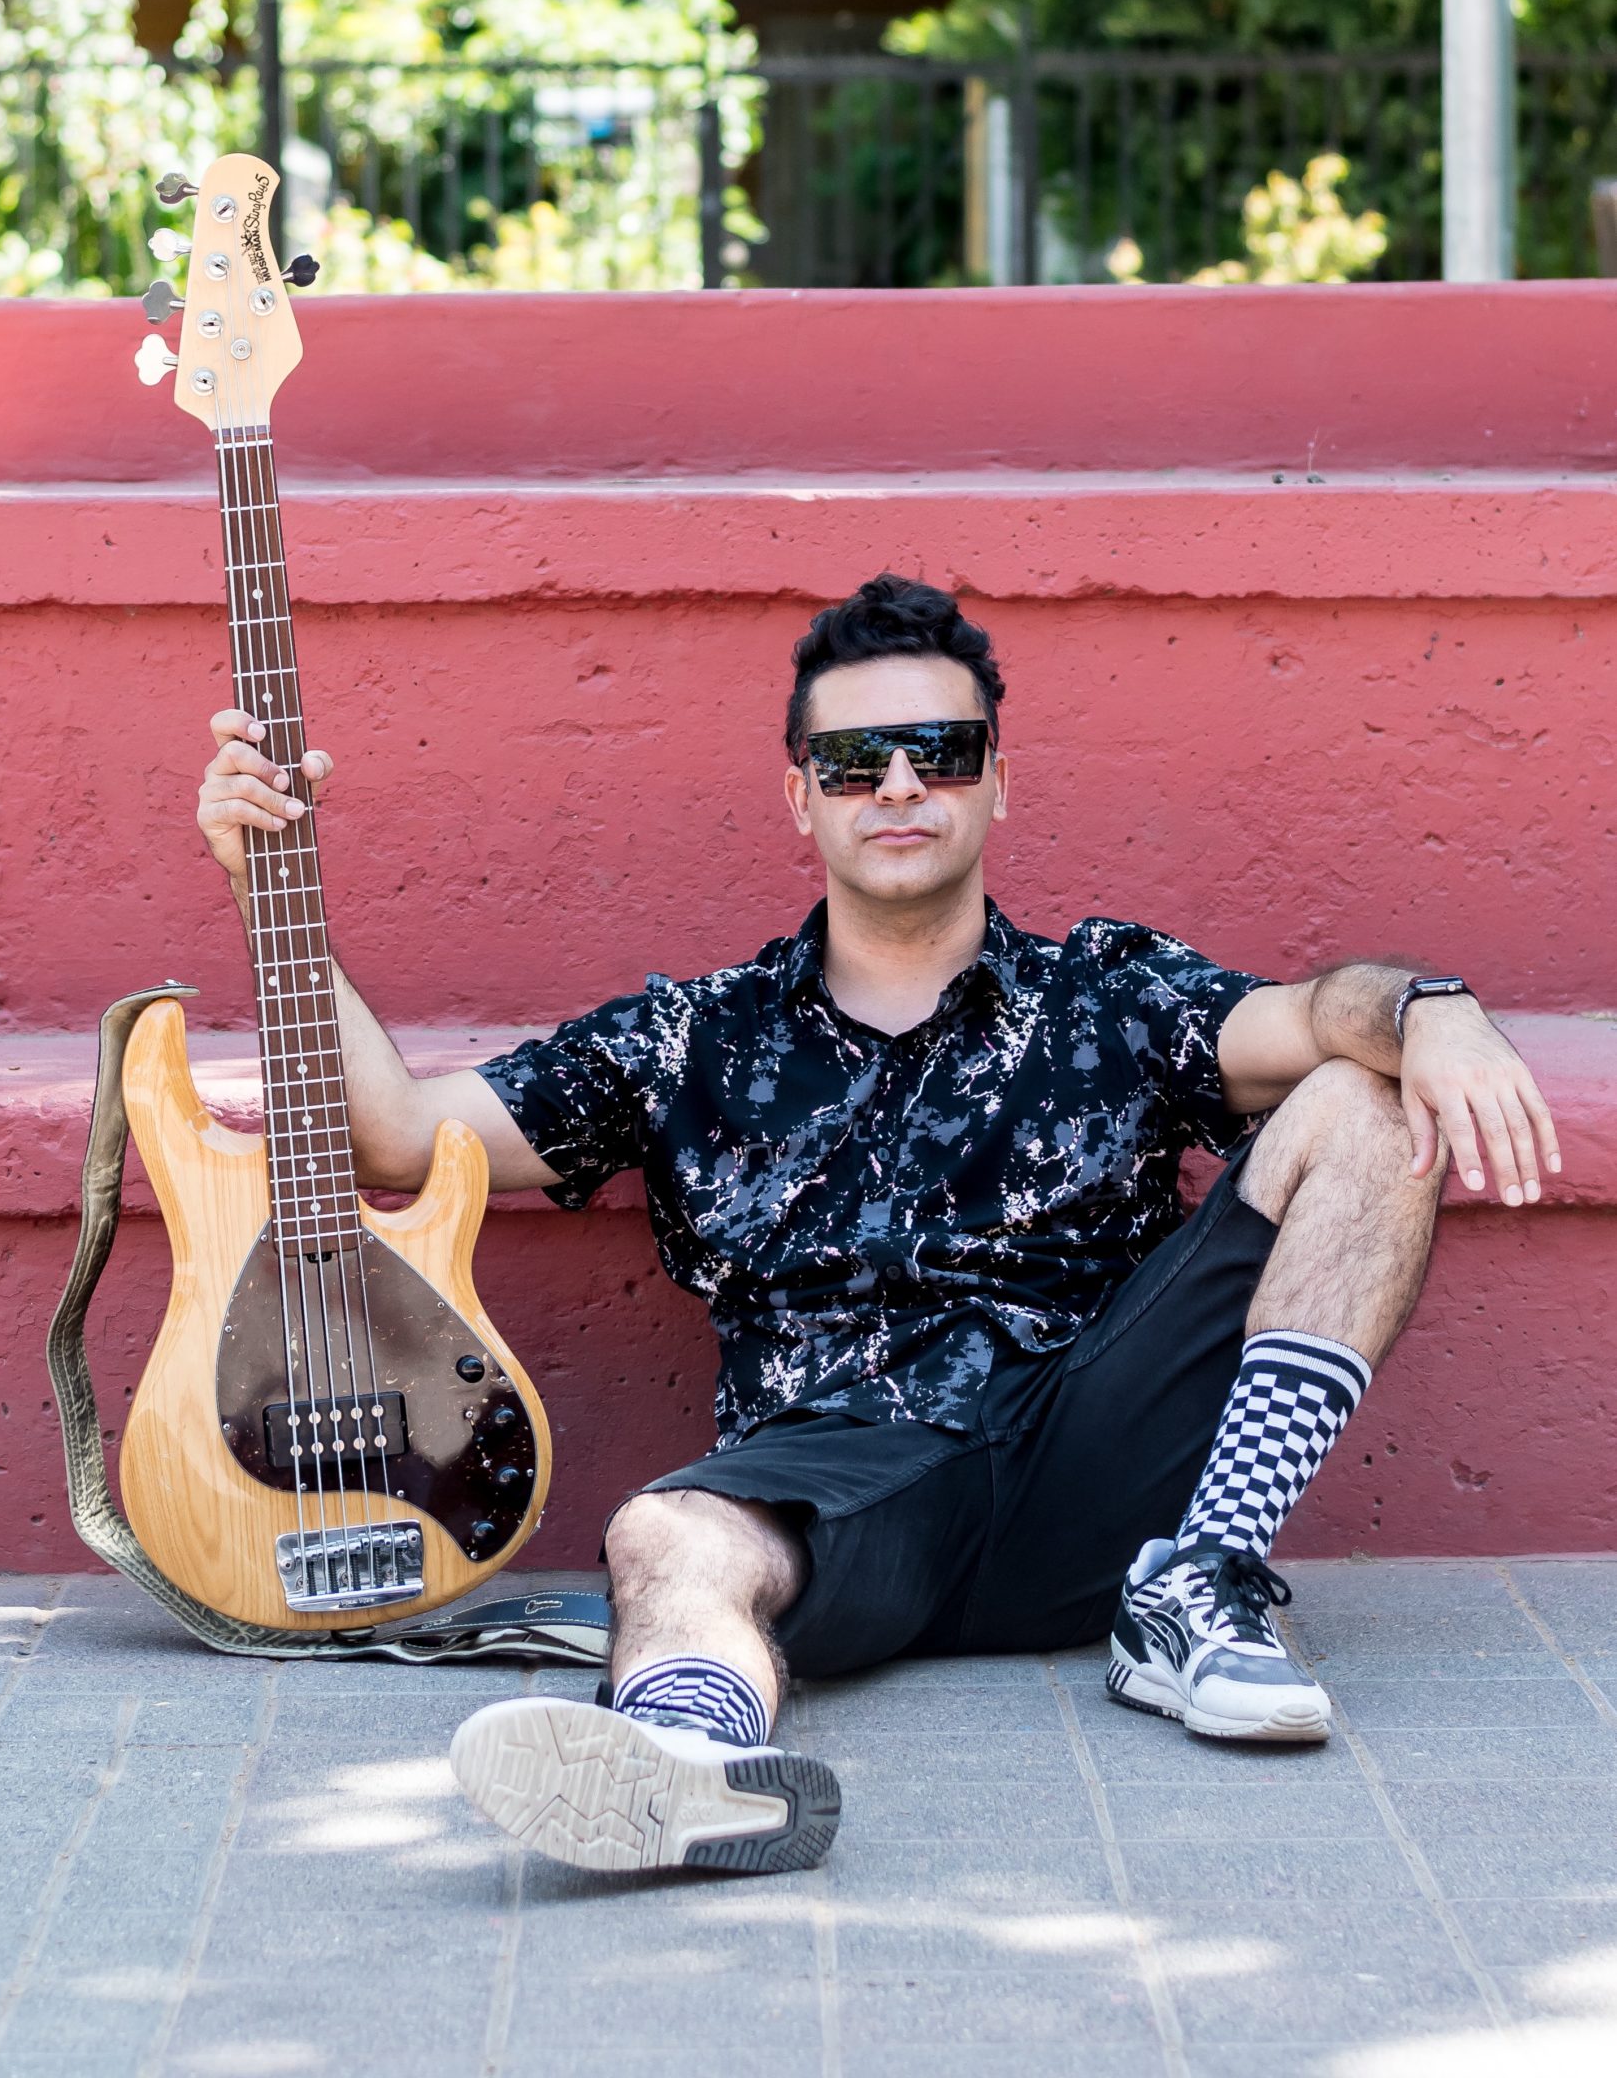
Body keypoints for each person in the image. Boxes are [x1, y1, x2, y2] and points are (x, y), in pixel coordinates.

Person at [195, 574, 1559, 1880]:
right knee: (665, 1537)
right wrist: (273, 888)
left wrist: (1428, 1009)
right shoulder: (691, 1040)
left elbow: (1318, 1015)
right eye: (853, 762)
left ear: (996, 781)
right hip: (846, 1491)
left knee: (1366, 1092)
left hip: (1100, 1448)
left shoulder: (1107, 997)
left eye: (938, 752)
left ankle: (1200, 1587)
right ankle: (690, 1771)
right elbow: (394, 1135)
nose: (899, 785)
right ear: (800, 796)